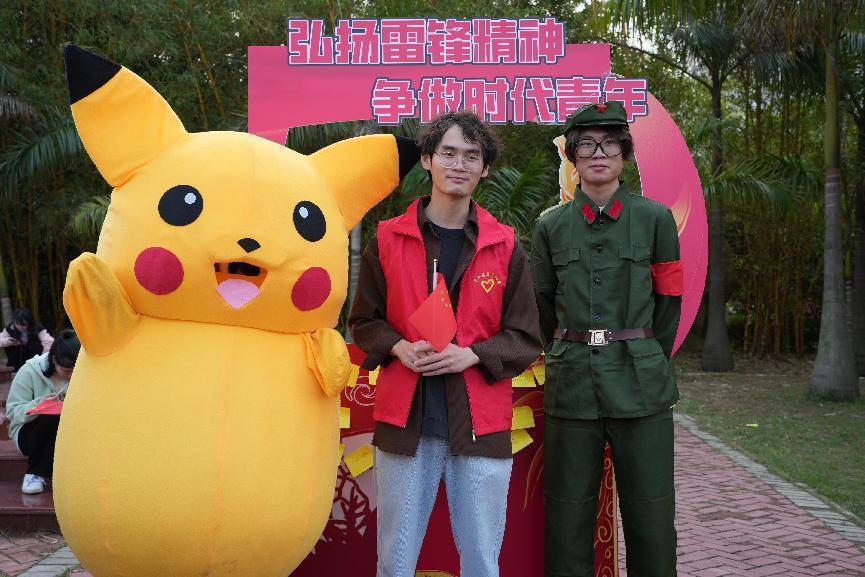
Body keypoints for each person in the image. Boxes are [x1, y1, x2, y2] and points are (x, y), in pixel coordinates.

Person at [349, 111, 542, 577]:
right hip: (406, 421)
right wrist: (399, 347)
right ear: (428, 160)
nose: (459, 164)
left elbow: (525, 337)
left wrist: (471, 354)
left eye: (471, 156)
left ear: (485, 168)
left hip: (479, 423)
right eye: (448, 153)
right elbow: (364, 322)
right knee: (395, 561)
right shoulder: (388, 238)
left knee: (481, 561)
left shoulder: (505, 245)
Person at [531, 101, 683, 577]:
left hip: (641, 386)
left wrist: (647, 354)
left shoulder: (656, 219)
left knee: (651, 514)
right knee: (567, 514)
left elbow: (669, 301)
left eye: (610, 143)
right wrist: (567, 348)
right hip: (573, 385)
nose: (599, 153)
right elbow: (542, 304)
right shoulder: (550, 226)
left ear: (625, 153)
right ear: (572, 156)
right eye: (587, 145)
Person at [5, 329, 80, 494]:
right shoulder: (29, 371)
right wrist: (40, 405)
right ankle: (34, 474)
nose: (71, 376)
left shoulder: (82, 375)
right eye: (67, 371)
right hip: (29, 434)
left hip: (66, 435)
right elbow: (12, 412)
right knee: (51, 416)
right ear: (53, 360)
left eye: (75, 370)